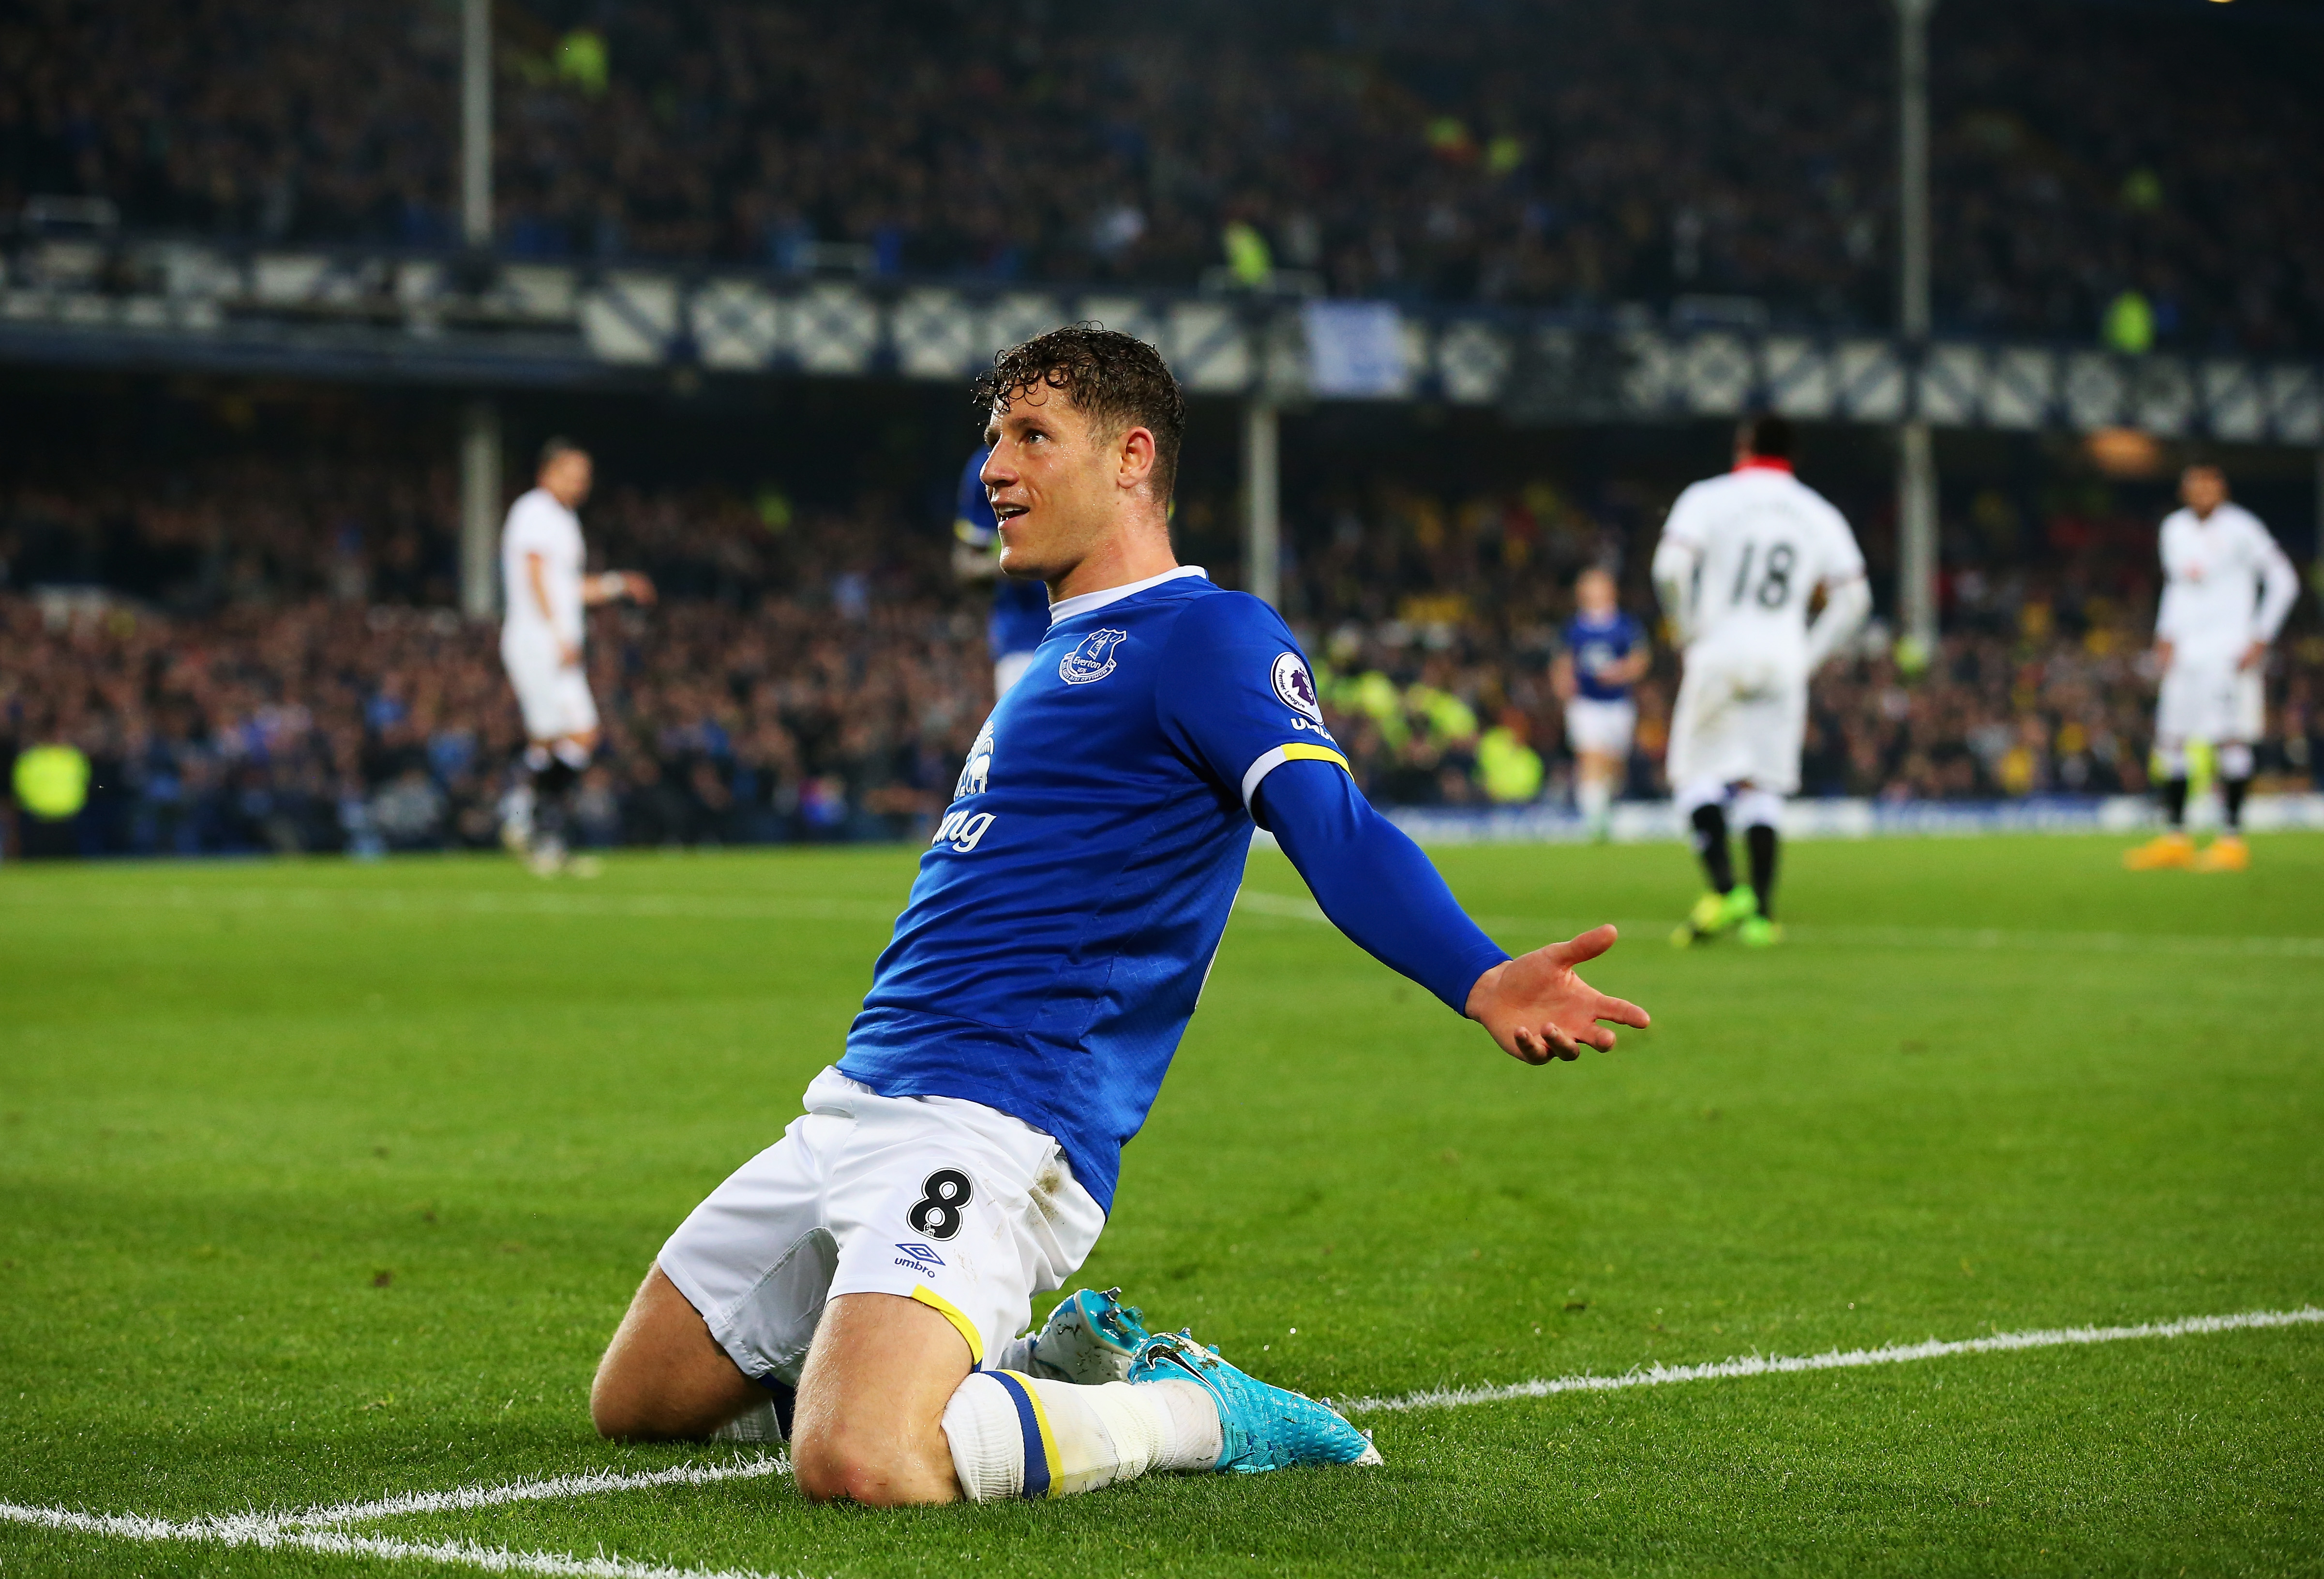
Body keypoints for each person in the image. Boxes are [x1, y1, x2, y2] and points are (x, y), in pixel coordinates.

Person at [586, 327, 1649, 1506]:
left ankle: (1193, 1409)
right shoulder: (1057, 651)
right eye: (993, 438)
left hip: (996, 1117)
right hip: (859, 1098)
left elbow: (1333, 825)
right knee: (639, 1403)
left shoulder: (1208, 635)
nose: (995, 468)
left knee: (859, 1459)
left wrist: (1482, 974)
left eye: (1032, 437)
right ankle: (1028, 1369)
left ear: (1133, 458)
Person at [1652, 415, 1869, 947]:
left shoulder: (1709, 496)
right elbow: (1855, 600)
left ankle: (1727, 891)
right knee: (1764, 786)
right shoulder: (1818, 512)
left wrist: (1686, 630)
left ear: (1742, 446)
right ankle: (1763, 917)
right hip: (1781, 658)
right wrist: (1808, 656)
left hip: (1720, 650)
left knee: (1696, 778)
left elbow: (1669, 570)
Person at [2123, 463, 2299, 872]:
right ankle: (2176, 838)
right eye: (2195, 486)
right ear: (2184, 491)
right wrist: (2164, 636)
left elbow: (2283, 580)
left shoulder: (2242, 528)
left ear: (2223, 489)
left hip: (2228, 652)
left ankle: (2231, 841)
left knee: (2229, 740)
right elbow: (2177, 587)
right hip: (2184, 652)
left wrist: (2259, 636)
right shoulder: (2173, 529)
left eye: (2210, 485)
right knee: (2170, 740)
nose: (2203, 492)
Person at [497, 438, 655, 876]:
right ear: (547, 473)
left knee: (578, 738)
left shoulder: (565, 521)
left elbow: (567, 586)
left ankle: (523, 815)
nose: (581, 483)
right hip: (536, 640)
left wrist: (618, 584)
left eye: (585, 476)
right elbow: (532, 574)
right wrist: (553, 630)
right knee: (553, 739)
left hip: (557, 643)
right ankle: (532, 827)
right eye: (572, 473)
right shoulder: (533, 511)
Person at [1550, 566, 1648, 840]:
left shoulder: (1625, 625)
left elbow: (1640, 661)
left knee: (1614, 765)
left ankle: (1606, 809)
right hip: (1586, 703)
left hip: (1618, 704)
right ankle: (1593, 822)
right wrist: (1563, 684)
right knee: (1591, 755)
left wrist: (1619, 673)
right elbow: (1564, 661)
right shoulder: (1575, 627)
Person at [951, 446, 1054, 697]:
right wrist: (1012, 564)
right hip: (1025, 637)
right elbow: (965, 564)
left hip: (1100, 621)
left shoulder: (1087, 449)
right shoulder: (987, 466)